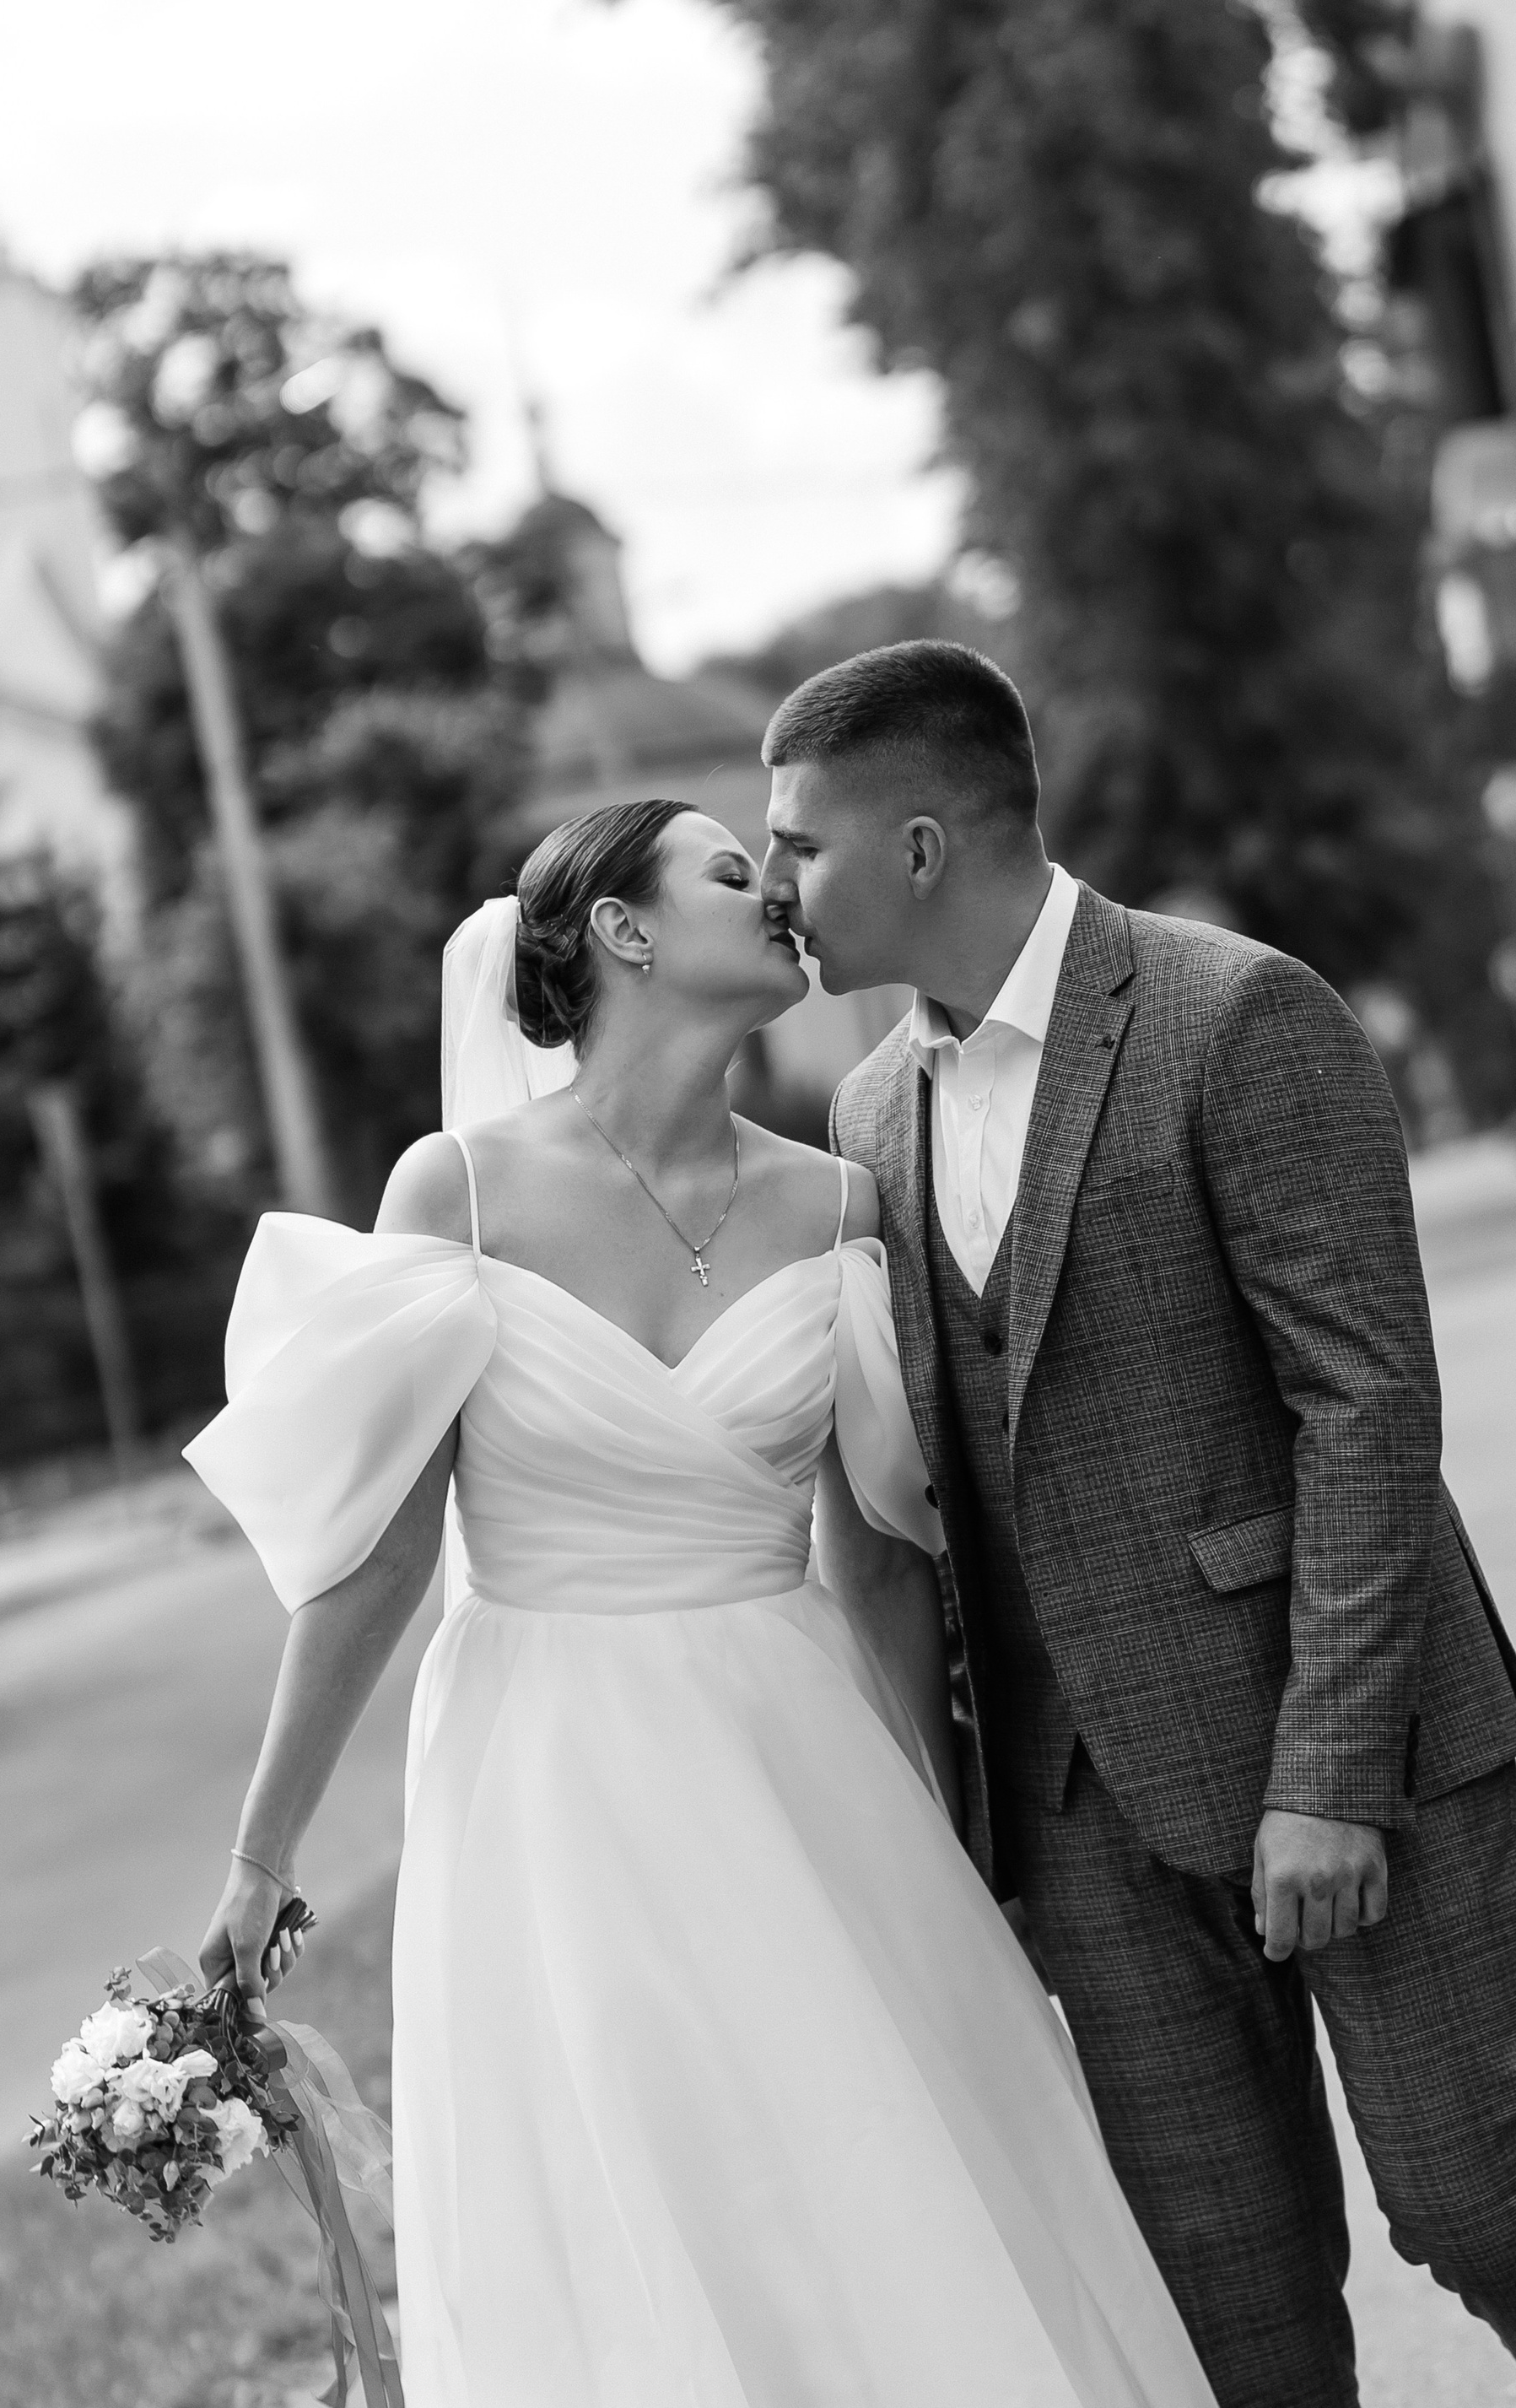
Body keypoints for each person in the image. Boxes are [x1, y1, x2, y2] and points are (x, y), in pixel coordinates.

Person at [186, 797, 1219, 2407]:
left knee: (871, 2177)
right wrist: (263, 1856)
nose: (782, 892)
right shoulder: (458, 1193)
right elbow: (379, 1556)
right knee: (638, 2200)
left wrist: (949, 1838)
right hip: (548, 1787)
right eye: (735, 872)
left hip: (798, 1759)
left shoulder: (837, 1201)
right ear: (624, 929)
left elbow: (878, 1554)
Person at [760, 638, 1516, 2408]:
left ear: (921, 845)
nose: (775, 882)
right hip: (1089, 1825)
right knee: (1230, 2335)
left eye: (797, 842)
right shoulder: (867, 1116)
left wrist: (1328, 1776)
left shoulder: (1234, 1014)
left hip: (1354, 1759)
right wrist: (985, 1837)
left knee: (1482, 2207)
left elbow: (1368, 1405)